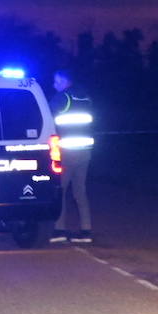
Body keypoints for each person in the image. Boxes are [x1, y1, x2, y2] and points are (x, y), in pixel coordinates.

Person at [49, 69, 95, 244]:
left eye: (56, 81)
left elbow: (47, 116)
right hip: (85, 151)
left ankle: (59, 230)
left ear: (63, 81)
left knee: (60, 190)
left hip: (67, 152)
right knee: (80, 192)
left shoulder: (63, 98)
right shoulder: (86, 98)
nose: (54, 85)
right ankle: (86, 231)